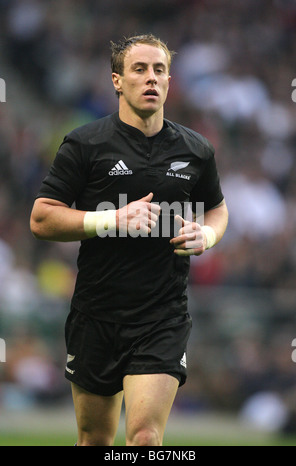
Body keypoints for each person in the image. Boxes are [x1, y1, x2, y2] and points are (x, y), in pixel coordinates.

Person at [30, 34, 228, 446]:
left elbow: (217, 208)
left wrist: (206, 233)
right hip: (96, 313)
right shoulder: (85, 143)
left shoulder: (196, 150)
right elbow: (42, 218)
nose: (151, 78)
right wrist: (112, 218)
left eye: (159, 70)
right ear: (117, 81)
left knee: (144, 437)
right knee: (94, 439)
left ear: (170, 81)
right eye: (140, 69)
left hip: (162, 316)